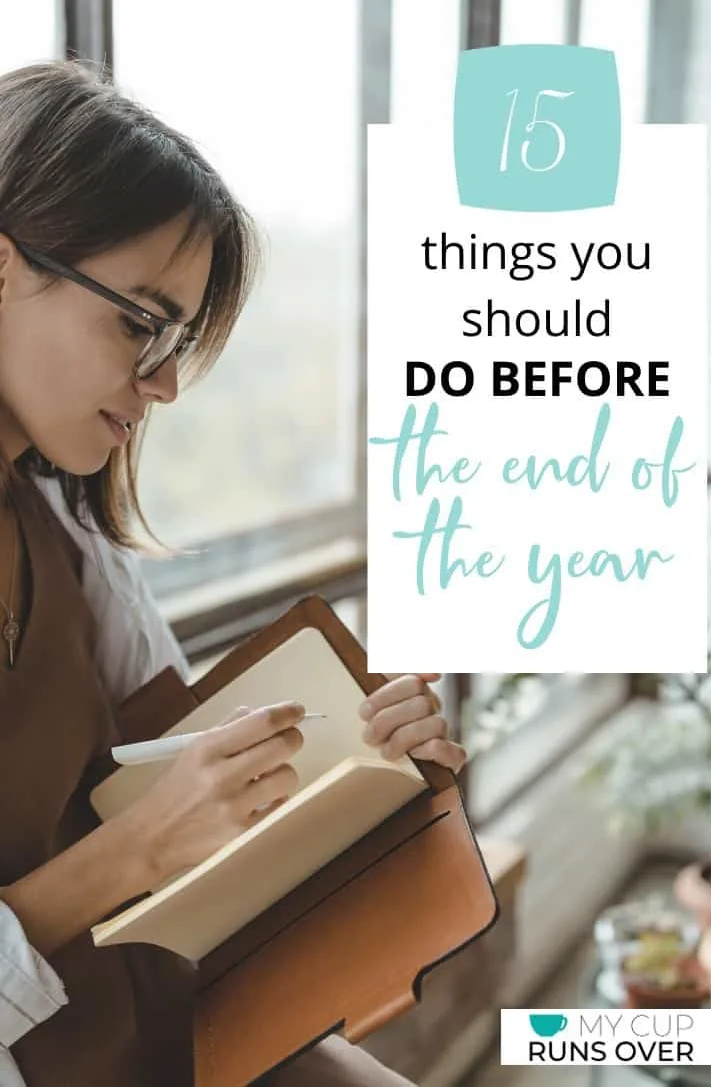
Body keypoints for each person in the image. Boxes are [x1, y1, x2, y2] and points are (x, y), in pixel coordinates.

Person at [0, 60, 467, 1087]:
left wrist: (365, 757)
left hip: (182, 1034)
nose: (165, 383)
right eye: (139, 321)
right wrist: (133, 854)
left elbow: (180, 785)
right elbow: (150, 836)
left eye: (178, 340)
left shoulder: (69, 545)